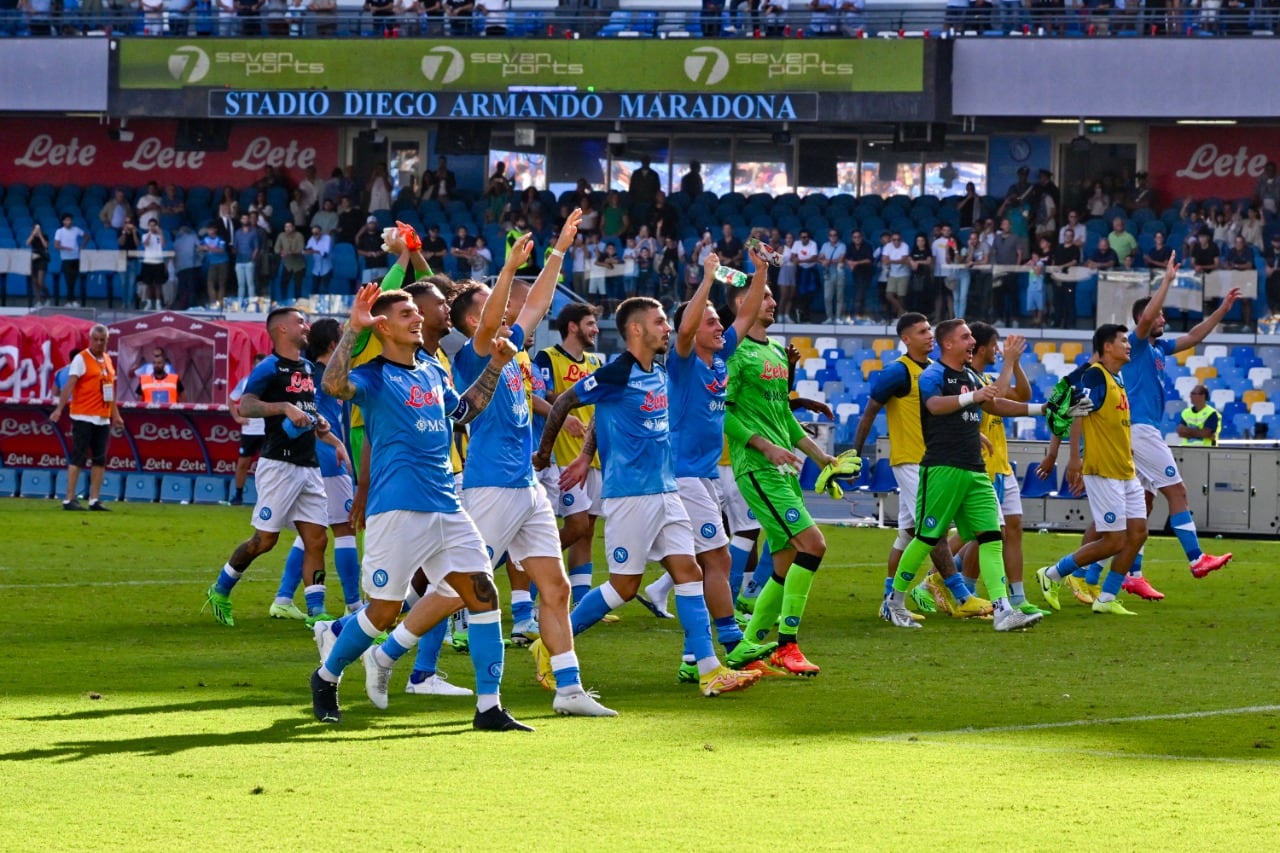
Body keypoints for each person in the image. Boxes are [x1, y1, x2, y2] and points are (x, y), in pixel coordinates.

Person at [308, 283, 531, 731]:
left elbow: (464, 412)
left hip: (448, 506)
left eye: (416, 311)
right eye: (406, 312)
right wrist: (353, 329)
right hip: (398, 509)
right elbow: (332, 384)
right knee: (384, 612)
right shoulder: (372, 375)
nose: (416, 318)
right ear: (384, 325)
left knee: (484, 597)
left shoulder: (431, 368)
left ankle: (489, 707)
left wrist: (497, 365)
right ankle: (326, 675)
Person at [535, 297, 760, 696]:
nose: (666, 328)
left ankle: (709, 670)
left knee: (689, 572)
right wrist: (544, 453)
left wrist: (587, 454)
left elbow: (602, 419)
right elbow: (567, 402)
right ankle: (548, 643)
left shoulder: (656, 370)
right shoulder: (616, 373)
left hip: (667, 490)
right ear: (636, 329)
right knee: (624, 586)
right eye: (659, 322)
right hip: (631, 497)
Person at [635, 249, 776, 679]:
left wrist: (762, 270)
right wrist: (708, 280)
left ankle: (693, 658)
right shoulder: (682, 361)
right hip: (683, 476)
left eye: (720, 322)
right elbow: (687, 326)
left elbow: (748, 315)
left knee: (698, 568)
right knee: (717, 560)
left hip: (703, 475)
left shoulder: (718, 358)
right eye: (712, 322)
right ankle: (732, 642)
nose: (722, 328)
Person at [879, 319, 1049, 632]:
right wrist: (975, 396)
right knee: (927, 537)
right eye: (966, 336)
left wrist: (1043, 409)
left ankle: (1002, 611)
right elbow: (934, 405)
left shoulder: (970, 374)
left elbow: (995, 404)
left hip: (975, 470)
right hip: (942, 468)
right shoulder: (934, 374)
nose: (972, 341)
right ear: (948, 344)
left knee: (991, 536)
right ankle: (895, 602)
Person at [717, 279, 850, 672]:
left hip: (783, 467)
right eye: (768, 296)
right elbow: (722, 412)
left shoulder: (774, 350)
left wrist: (820, 454)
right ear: (745, 302)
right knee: (814, 545)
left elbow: (784, 417)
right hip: (758, 468)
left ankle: (749, 646)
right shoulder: (734, 352)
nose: (775, 302)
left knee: (785, 558)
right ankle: (787, 643)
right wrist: (763, 446)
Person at [202, 307, 350, 628]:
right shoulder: (270, 367)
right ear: (281, 329)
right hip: (279, 464)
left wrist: (333, 440)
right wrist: (284, 406)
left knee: (317, 539)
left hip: (308, 465)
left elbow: (308, 416)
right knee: (264, 541)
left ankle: (316, 612)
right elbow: (246, 405)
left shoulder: (309, 369)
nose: (305, 325)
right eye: (299, 321)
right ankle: (220, 589)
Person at [1108, 256, 1238, 598]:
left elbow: (1194, 335)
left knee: (1144, 504)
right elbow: (1149, 314)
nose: (1163, 319)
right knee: (1177, 492)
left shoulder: (1159, 347)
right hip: (1139, 430)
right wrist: (1166, 281)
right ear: (1142, 320)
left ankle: (1132, 574)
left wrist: (1222, 310)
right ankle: (1196, 560)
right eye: (1160, 316)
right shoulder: (1135, 344)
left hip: (1137, 431)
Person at [853, 313, 985, 621]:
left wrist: (976, 434)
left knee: (907, 535)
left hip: (934, 460)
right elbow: (870, 411)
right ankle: (960, 594)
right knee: (933, 530)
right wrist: (856, 454)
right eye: (922, 331)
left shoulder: (935, 372)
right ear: (906, 339)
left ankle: (889, 600)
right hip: (912, 461)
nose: (929, 335)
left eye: (929, 330)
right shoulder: (898, 372)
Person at [1034, 324, 1148, 617]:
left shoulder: (1116, 379)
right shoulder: (1095, 375)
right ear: (1107, 346)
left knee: (1138, 533)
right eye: (1123, 340)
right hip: (1103, 470)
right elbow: (1076, 412)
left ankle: (1107, 596)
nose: (1128, 344)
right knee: (1113, 540)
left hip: (1125, 469)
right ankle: (1053, 573)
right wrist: (1074, 459)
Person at [268, 318, 363, 622]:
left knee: (312, 532)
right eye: (343, 338)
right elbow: (309, 413)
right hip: (326, 460)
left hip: (314, 459)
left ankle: (283, 598)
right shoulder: (320, 377)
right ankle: (354, 605)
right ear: (334, 345)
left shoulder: (317, 375)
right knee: (345, 528)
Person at [954, 324, 1048, 616]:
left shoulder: (988, 377)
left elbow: (1022, 393)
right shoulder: (968, 381)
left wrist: (1015, 363)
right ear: (981, 348)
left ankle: (1017, 597)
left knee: (1013, 528)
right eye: (995, 346)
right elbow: (996, 399)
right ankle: (961, 589)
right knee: (986, 533)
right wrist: (1008, 361)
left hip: (1002, 465)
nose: (998, 351)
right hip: (982, 466)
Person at [534, 304, 606, 608]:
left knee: (586, 531)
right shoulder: (547, 357)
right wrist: (563, 418)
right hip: (562, 458)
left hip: (593, 457)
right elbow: (544, 394)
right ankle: (529, 572)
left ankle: (581, 602)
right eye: (590, 324)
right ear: (573, 327)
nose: (596, 329)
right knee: (574, 526)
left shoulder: (595, 362)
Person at [50, 325, 123, 512]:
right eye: (96, 339)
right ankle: (69, 498)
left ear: (107, 341)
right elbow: (70, 385)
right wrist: (59, 409)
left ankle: (94, 499)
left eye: (103, 340)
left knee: (100, 459)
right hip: (83, 415)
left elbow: (110, 391)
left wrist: (115, 414)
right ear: (90, 339)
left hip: (102, 417)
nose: (99, 343)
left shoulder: (107, 360)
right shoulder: (81, 359)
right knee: (78, 457)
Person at [229, 353, 267, 506]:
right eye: (256, 365)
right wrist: (237, 418)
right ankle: (238, 495)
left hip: (266, 430)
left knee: (267, 465)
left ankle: (267, 498)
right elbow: (231, 400)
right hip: (250, 431)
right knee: (243, 464)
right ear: (253, 366)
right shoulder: (245, 382)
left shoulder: (271, 382)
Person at [54, 214, 86, 307]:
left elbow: (86, 236)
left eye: (70, 220)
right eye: (66, 220)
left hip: (76, 257)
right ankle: (69, 300)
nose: (68, 222)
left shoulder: (76, 230)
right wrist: (65, 248)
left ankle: (72, 300)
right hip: (66, 258)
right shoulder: (59, 231)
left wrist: (82, 245)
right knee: (69, 280)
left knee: (74, 279)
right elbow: (56, 245)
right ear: (63, 221)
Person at [139, 220, 168, 311]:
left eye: (154, 225)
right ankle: (149, 303)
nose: (152, 227)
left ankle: (158, 303)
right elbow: (146, 244)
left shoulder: (160, 236)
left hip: (158, 262)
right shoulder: (145, 235)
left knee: (158, 284)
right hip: (148, 261)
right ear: (148, 226)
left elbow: (163, 244)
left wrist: (161, 233)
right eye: (150, 225)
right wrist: (150, 233)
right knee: (148, 284)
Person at [819, 228, 847, 323]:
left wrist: (828, 261)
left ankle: (838, 317)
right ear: (828, 236)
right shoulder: (825, 245)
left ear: (837, 236)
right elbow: (820, 257)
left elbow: (841, 259)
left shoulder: (842, 246)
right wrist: (823, 261)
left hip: (839, 272)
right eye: (831, 235)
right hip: (828, 272)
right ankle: (829, 317)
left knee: (839, 296)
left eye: (834, 235)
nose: (833, 237)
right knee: (827, 297)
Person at [356, 216, 388, 284]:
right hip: (368, 266)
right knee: (367, 286)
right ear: (367, 224)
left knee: (382, 286)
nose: (372, 225)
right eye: (370, 223)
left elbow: (387, 249)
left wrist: (380, 253)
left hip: (381, 265)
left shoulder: (381, 235)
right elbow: (359, 251)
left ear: (376, 224)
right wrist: (368, 253)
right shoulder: (363, 236)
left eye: (373, 223)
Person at [26, 223, 49, 308]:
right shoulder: (32, 237)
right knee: (35, 282)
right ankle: (38, 300)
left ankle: (47, 297)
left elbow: (45, 246)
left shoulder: (44, 236)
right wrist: (33, 234)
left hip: (42, 260)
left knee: (40, 281)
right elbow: (27, 243)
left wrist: (40, 235)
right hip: (34, 259)